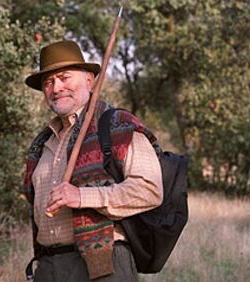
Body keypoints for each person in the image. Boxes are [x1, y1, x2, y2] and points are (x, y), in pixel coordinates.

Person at [22, 40, 163, 282]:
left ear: (89, 80)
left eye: (64, 77)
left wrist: (81, 196)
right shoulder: (41, 144)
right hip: (48, 268)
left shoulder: (116, 125)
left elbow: (149, 189)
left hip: (102, 267)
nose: (56, 87)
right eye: (48, 82)